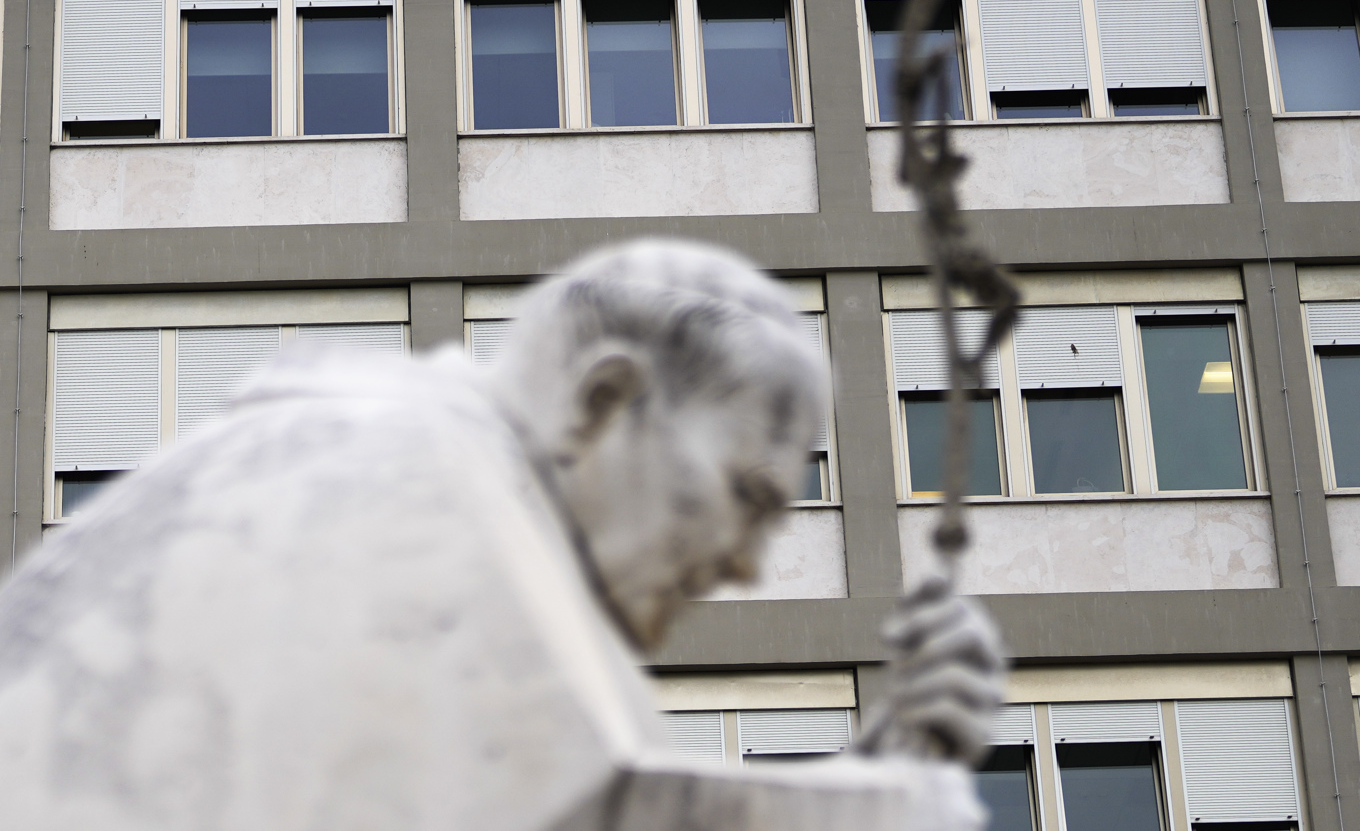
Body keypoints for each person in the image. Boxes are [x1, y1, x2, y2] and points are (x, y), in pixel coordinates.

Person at [0, 240, 1003, 830]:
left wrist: (876, 768)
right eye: (745, 493)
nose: (744, 563)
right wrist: (888, 802)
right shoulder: (417, 482)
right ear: (604, 400)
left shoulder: (427, 469)